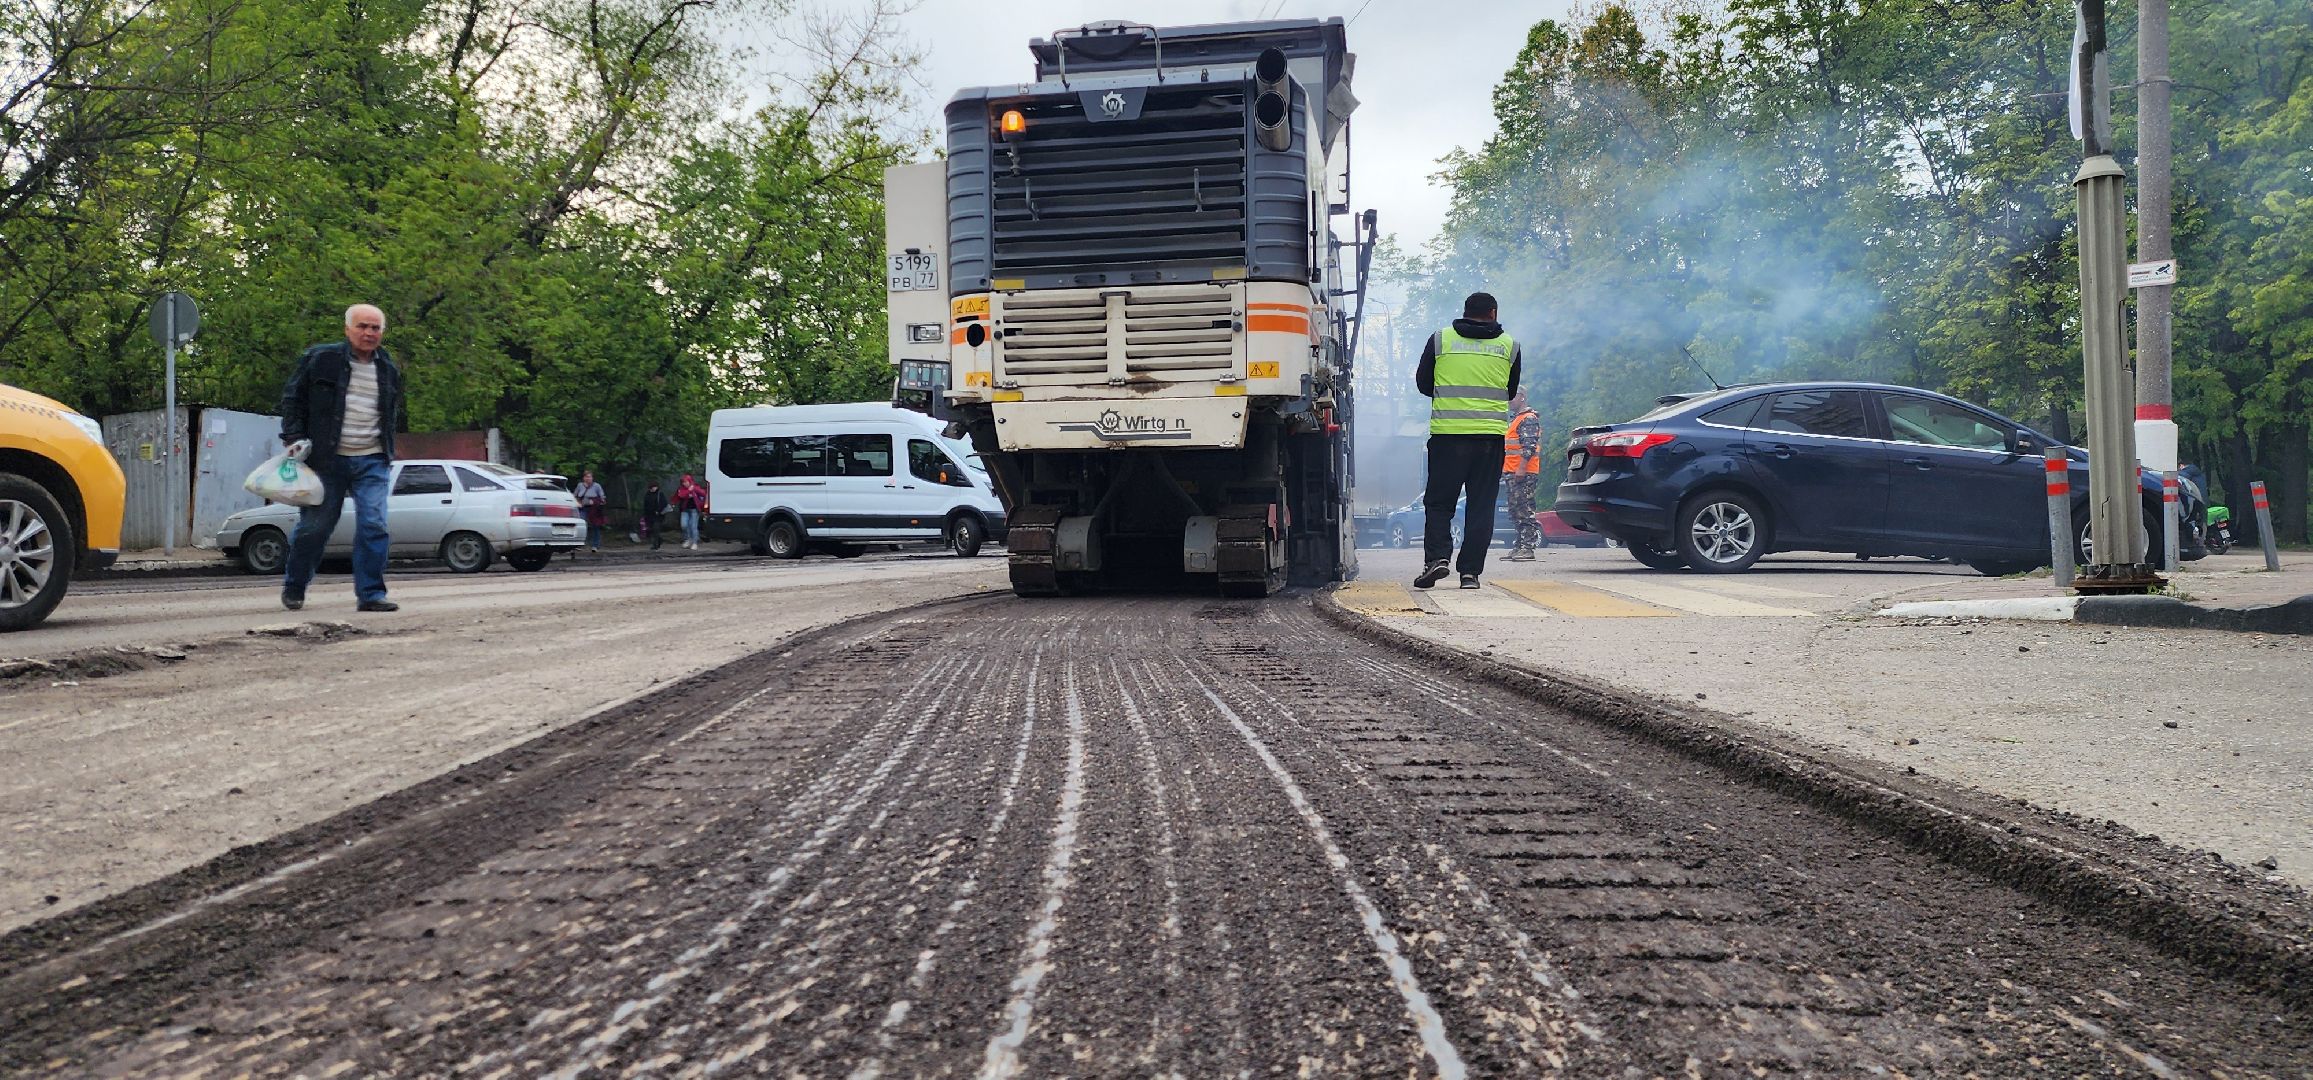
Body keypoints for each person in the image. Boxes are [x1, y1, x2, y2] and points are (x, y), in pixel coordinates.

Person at [277, 304, 406, 612]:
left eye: (375, 328)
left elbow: (390, 413)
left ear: (382, 333)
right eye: (362, 326)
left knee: (375, 524)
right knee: (315, 528)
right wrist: (294, 438)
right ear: (347, 329)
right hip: (326, 460)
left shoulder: (388, 367)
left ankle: (371, 594)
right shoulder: (321, 359)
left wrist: (390, 448)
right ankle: (295, 584)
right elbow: (292, 399)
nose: (369, 333)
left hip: (372, 458)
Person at [1413, 291, 1521, 590]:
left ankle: (1437, 559)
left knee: (1439, 503)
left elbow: (1423, 384)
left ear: (1465, 311)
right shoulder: (1509, 346)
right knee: (1481, 505)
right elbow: (1510, 393)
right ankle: (1470, 573)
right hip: (1489, 439)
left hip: (1448, 436)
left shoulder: (1440, 340)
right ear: (1493, 313)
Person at [1502, 388, 1544, 561]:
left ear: (1522, 397)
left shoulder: (1528, 419)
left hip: (1524, 472)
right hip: (1513, 471)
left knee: (1525, 508)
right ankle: (1519, 546)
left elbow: (1529, 447)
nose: (1509, 400)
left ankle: (1528, 547)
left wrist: (1521, 468)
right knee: (1515, 509)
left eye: (1512, 396)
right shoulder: (1517, 420)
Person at [574, 470, 608, 551]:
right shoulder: (580, 485)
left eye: (589, 477)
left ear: (592, 478)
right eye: (586, 477)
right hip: (583, 508)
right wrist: (578, 502)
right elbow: (575, 495)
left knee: (595, 526)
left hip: (594, 508)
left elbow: (602, 497)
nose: (588, 478)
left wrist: (597, 501)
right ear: (583, 478)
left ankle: (595, 545)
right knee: (582, 524)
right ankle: (580, 543)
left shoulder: (597, 486)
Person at [672, 473, 707, 549]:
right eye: (683, 482)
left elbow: (703, 493)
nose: (684, 483)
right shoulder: (681, 489)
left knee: (693, 526)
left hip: (694, 510)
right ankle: (688, 539)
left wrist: (694, 489)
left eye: (686, 482)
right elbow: (681, 495)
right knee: (684, 525)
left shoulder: (695, 487)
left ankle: (694, 542)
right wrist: (689, 491)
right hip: (685, 510)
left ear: (690, 481)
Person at [639, 481, 669, 551]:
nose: (654, 488)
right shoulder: (647, 494)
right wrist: (645, 514)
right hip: (649, 515)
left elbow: (664, 504)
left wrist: (658, 511)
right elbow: (645, 505)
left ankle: (655, 545)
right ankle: (659, 540)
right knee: (651, 530)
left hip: (658, 515)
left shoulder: (660, 494)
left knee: (656, 529)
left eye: (655, 487)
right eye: (652, 487)